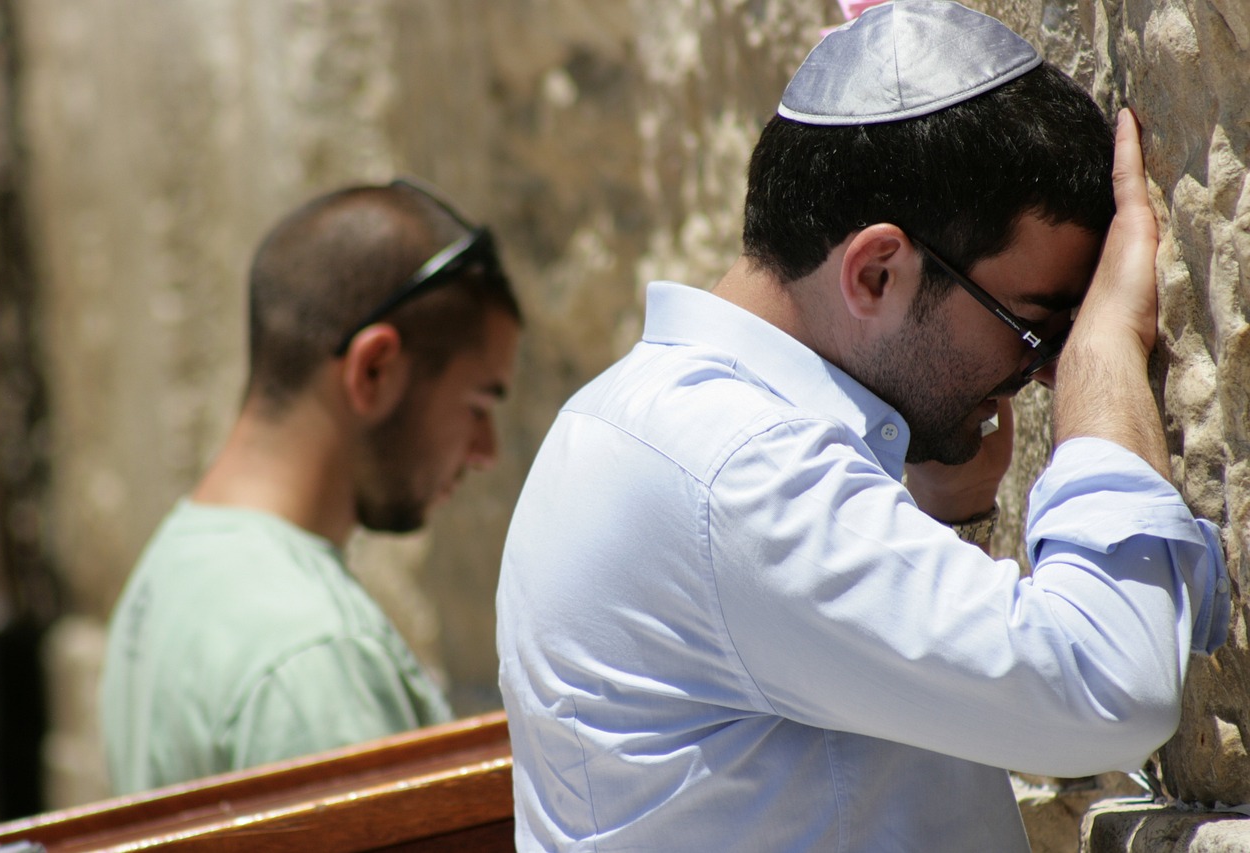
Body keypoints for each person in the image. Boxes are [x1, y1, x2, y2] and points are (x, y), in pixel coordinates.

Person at [496, 3, 1229, 851]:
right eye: (1036, 325)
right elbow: (1104, 688)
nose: (1040, 370)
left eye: (1064, 339)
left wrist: (950, 518)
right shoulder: (736, 470)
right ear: (877, 271)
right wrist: (1103, 363)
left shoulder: (635, 421)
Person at [101, 178, 523, 794]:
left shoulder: (169, 567)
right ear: (374, 369)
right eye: (477, 403)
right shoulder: (311, 656)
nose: (486, 451)